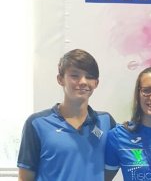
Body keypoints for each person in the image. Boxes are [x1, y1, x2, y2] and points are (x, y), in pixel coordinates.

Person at [17, 49, 116, 181]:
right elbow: (25, 178)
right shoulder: (37, 123)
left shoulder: (106, 122)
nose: (83, 82)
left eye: (89, 76)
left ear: (96, 83)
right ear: (60, 79)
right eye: (75, 75)